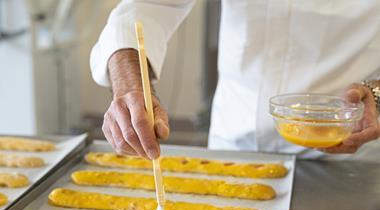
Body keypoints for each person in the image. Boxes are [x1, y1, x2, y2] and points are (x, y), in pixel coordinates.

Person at [90, 0, 380, 162]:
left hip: (349, 161)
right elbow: (151, 5)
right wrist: (130, 84)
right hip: (233, 146)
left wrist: (377, 96)